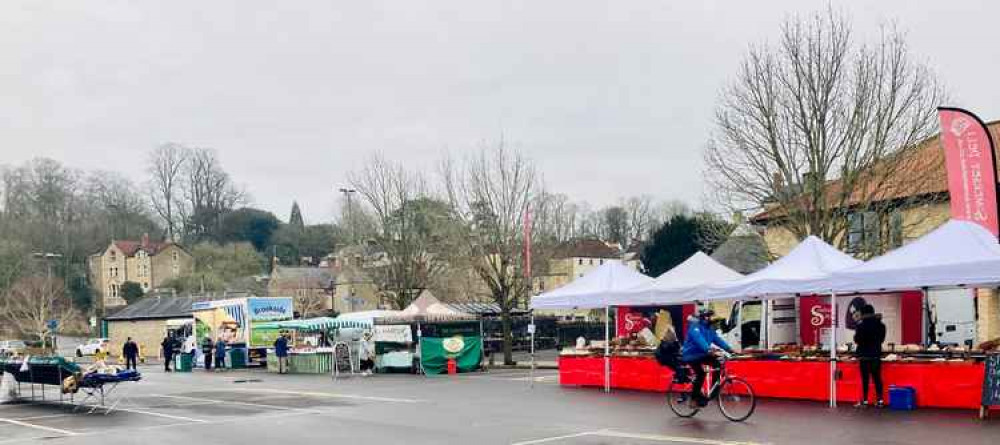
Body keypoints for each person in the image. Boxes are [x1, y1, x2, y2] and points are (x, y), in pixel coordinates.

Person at [681, 308, 735, 406]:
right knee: (701, 374)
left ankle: (714, 391)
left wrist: (730, 349)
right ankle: (693, 399)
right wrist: (709, 350)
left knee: (718, 363)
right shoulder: (695, 327)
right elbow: (699, 339)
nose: (711, 318)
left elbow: (717, 340)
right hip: (691, 355)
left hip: (702, 354)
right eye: (709, 316)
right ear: (704, 317)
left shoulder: (710, 329)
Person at [854, 304, 886, 408]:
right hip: (876, 354)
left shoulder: (860, 325)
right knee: (877, 378)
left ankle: (865, 400)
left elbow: (857, 340)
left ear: (863, 313)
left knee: (865, 379)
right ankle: (880, 400)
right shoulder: (881, 325)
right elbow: (882, 339)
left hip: (864, 356)